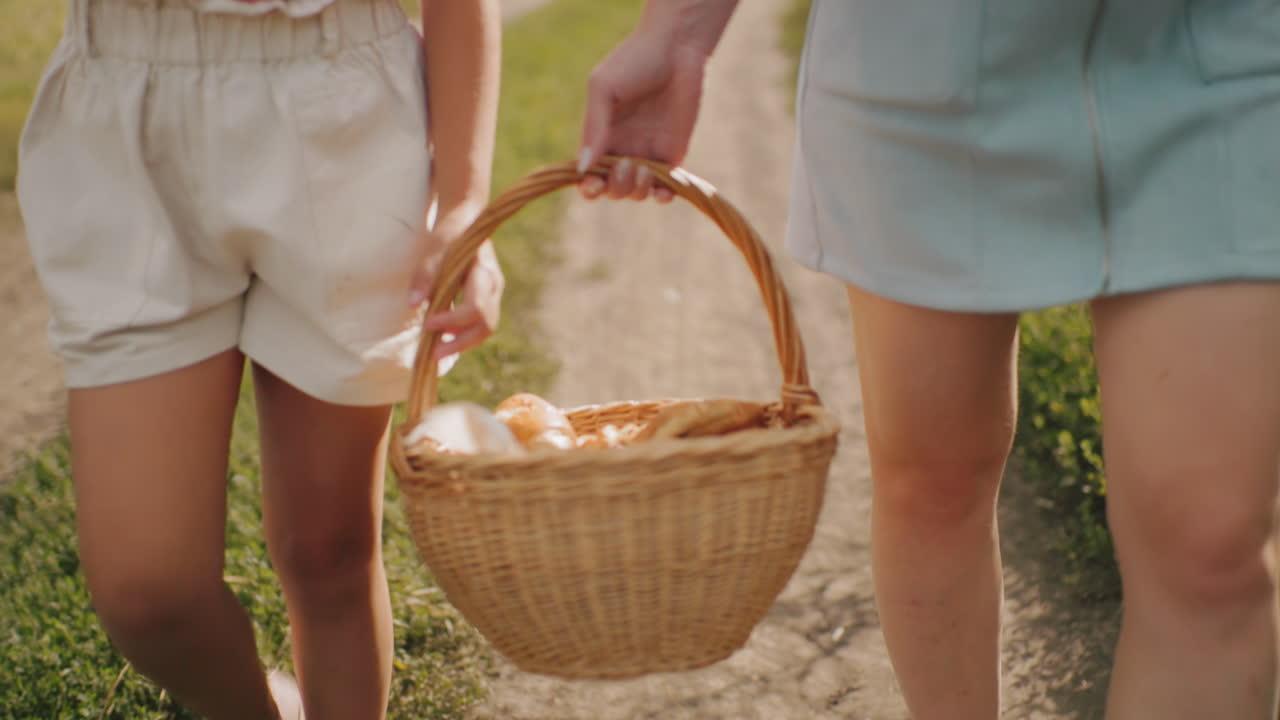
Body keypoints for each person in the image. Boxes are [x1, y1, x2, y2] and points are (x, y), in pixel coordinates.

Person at [576, 1, 1280, 718]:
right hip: (922, 53)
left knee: (1210, 546)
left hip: (1216, 48)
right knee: (932, 480)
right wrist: (679, 32)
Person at [16, 0, 502, 717]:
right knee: (148, 593)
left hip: (345, 109)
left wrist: (464, 200)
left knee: (328, 551)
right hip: (122, 110)